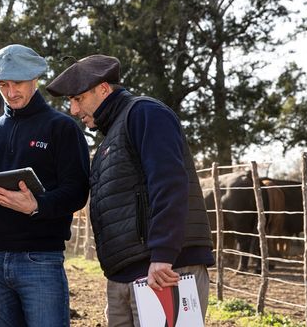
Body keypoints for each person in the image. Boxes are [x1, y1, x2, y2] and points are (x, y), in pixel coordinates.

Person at [46, 55, 214, 326]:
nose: (73, 110)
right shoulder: (111, 135)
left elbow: (169, 183)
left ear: (103, 89)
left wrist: (163, 253)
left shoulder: (145, 113)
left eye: (78, 99)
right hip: (127, 275)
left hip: (164, 270)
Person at [0, 44, 90, 327]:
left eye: (17, 82)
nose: (10, 91)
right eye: (3, 84)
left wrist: (36, 205)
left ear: (35, 79)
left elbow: (77, 191)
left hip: (39, 258)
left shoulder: (62, 128)